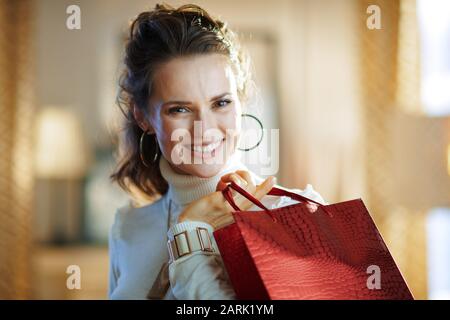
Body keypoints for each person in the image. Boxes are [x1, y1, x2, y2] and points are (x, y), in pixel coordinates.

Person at [108, 3, 326, 300]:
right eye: (180, 109)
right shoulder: (128, 227)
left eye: (220, 103)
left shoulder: (294, 214)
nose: (205, 128)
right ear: (144, 117)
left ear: (241, 102)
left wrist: (188, 234)